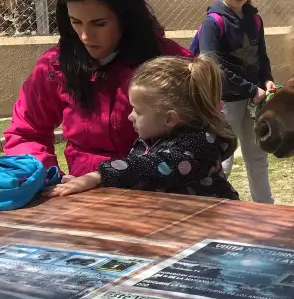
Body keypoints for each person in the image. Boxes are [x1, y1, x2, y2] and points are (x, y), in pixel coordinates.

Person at [3, 0, 191, 177]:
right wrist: (49, 178)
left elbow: (204, 137)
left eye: (99, 24)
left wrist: (122, 178)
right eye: (76, 22)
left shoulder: (170, 61)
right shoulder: (55, 65)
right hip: (83, 195)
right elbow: (26, 132)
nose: (85, 36)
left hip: (157, 191)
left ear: (126, 18)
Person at [43, 55, 240, 200]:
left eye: (138, 111)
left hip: (208, 230)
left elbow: (153, 167)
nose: (130, 116)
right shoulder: (150, 140)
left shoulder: (199, 144)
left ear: (170, 118)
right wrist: (89, 183)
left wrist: (99, 175)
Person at [196, 0, 276, 204]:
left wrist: (267, 81)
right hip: (226, 102)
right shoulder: (213, 23)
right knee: (223, 159)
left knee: (257, 155)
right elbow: (213, 66)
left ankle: (265, 209)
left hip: (254, 101)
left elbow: (261, 55)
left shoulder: (255, 18)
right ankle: (217, 208)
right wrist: (251, 89)